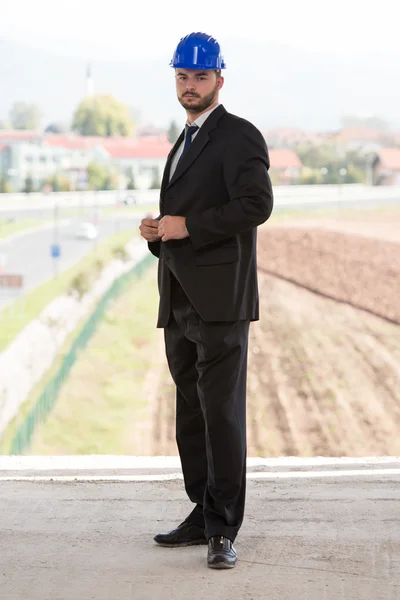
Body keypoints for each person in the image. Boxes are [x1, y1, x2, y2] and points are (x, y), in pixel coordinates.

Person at [139, 31, 273, 570]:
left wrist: (186, 225)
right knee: (191, 413)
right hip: (179, 298)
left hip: (221, 302)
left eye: (198, 76)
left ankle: (223, 529)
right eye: (181, 77)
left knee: (221, 415)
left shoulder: (239, 136)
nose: (189, 86)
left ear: (220, 78)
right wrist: (158, 234)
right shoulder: (185, 139)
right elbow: (185, 219)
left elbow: (256, 206)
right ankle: (201, 511)